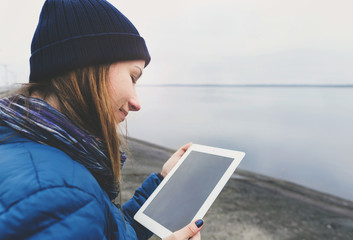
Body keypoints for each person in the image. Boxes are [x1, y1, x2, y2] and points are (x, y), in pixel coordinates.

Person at [0, 0, 204, 239]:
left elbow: (107, 228)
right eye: (133, 77)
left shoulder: (31, 148)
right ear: (90, 66)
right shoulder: (56, 193)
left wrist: (161, 182)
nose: (137, 103)